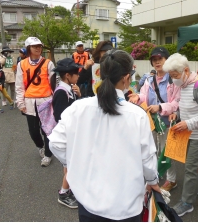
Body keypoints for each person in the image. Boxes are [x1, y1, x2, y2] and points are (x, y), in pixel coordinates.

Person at [48, 49, 160, 222]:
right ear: (126, 78)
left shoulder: (78, 108)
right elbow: (147, 160)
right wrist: (153, 182)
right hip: (126, 205)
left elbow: (55, 143)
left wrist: (74, 162)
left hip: (88, 202)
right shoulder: (137, 115)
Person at [163, 53, 198, 217]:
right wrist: (177, 114)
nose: (173, 79)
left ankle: (187, 203)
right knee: (192, 165)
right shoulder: (183, 85)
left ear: (186, 70)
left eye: (175, 75)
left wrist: (188, 123)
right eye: (171, 76)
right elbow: (186, 107)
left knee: (190, 169)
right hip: (188, 133)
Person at [129, 46, 181, 192]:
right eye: (154, 60)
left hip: (167, 121)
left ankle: (172, 179)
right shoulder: (149, 79)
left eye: (160, 59)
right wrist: (138, 97)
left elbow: (177, 101)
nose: (157, 62)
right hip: (152, 121)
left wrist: (160, 107)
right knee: (153, 150)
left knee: (167, 151)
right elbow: (145, 96)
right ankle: (156, 174)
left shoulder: (173, 80)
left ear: (167, 60)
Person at [15, 36, 55, 167]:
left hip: (46, 101)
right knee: (33, 131)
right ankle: (40, 147)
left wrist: (55, 101)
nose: (38, 48)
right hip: (30, 102)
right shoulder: (22, 64)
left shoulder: (48, 63)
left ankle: (48, 155)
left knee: (47, 130)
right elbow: (19, 85)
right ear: (28, 48)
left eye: (39, 46)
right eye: (34, 46)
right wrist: (20, 102)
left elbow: (54, 84)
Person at [49, 58, 82, 209]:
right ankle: (64, 193)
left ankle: (69, 190)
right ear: (68, 75)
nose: (78, 76)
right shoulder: (62, 93)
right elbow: (60, 116)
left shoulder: (70, 89)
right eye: (76, 73)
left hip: (67, 138)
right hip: (63, 139)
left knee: (69, 166)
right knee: (71, 166)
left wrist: (79, 95)